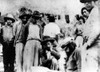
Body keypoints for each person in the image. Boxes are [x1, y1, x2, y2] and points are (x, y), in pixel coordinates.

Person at [14, 8, 32, 72]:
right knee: (18, 59)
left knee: (26, 59)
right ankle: (19, 70)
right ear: (21, 18)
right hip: (19, 42)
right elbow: (14, 34)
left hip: (26, 43)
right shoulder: (17, 24)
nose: (25, 19)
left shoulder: (28, 25)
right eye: (23, 18)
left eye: (26, 18)